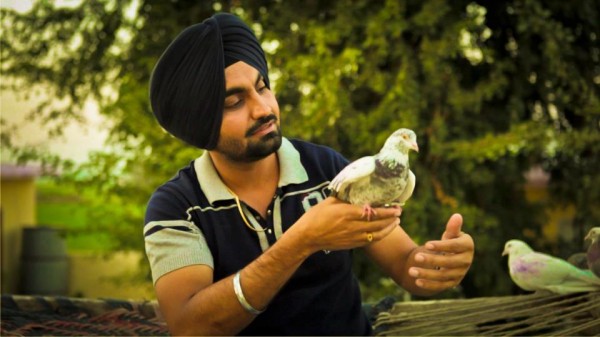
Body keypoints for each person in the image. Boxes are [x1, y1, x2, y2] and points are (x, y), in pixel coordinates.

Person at [144, 12, 474, 336]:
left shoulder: (328, 170)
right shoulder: (176, 207)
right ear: (199, 123)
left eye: (262, 87)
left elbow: (405, 263)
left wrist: (438, 265)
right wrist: (302, 241)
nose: (263, 108)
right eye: (234, 102)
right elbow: (191, 328)